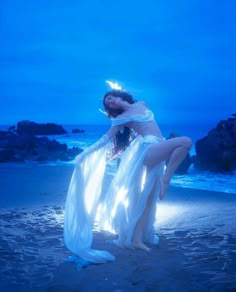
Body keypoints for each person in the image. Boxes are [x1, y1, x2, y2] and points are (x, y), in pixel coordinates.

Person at [64, 90, 192, 264]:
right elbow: (105, 139)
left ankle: (137, 240)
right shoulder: (120, 118)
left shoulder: (142, 104)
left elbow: (146, 127)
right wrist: (84, 155)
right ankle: (167, 178)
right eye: (107, 102)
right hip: (148, 150)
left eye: (111, 97)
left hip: (157, 147)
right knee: (185, 141)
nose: (110, 101)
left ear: (119, 96)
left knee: (147, 200)